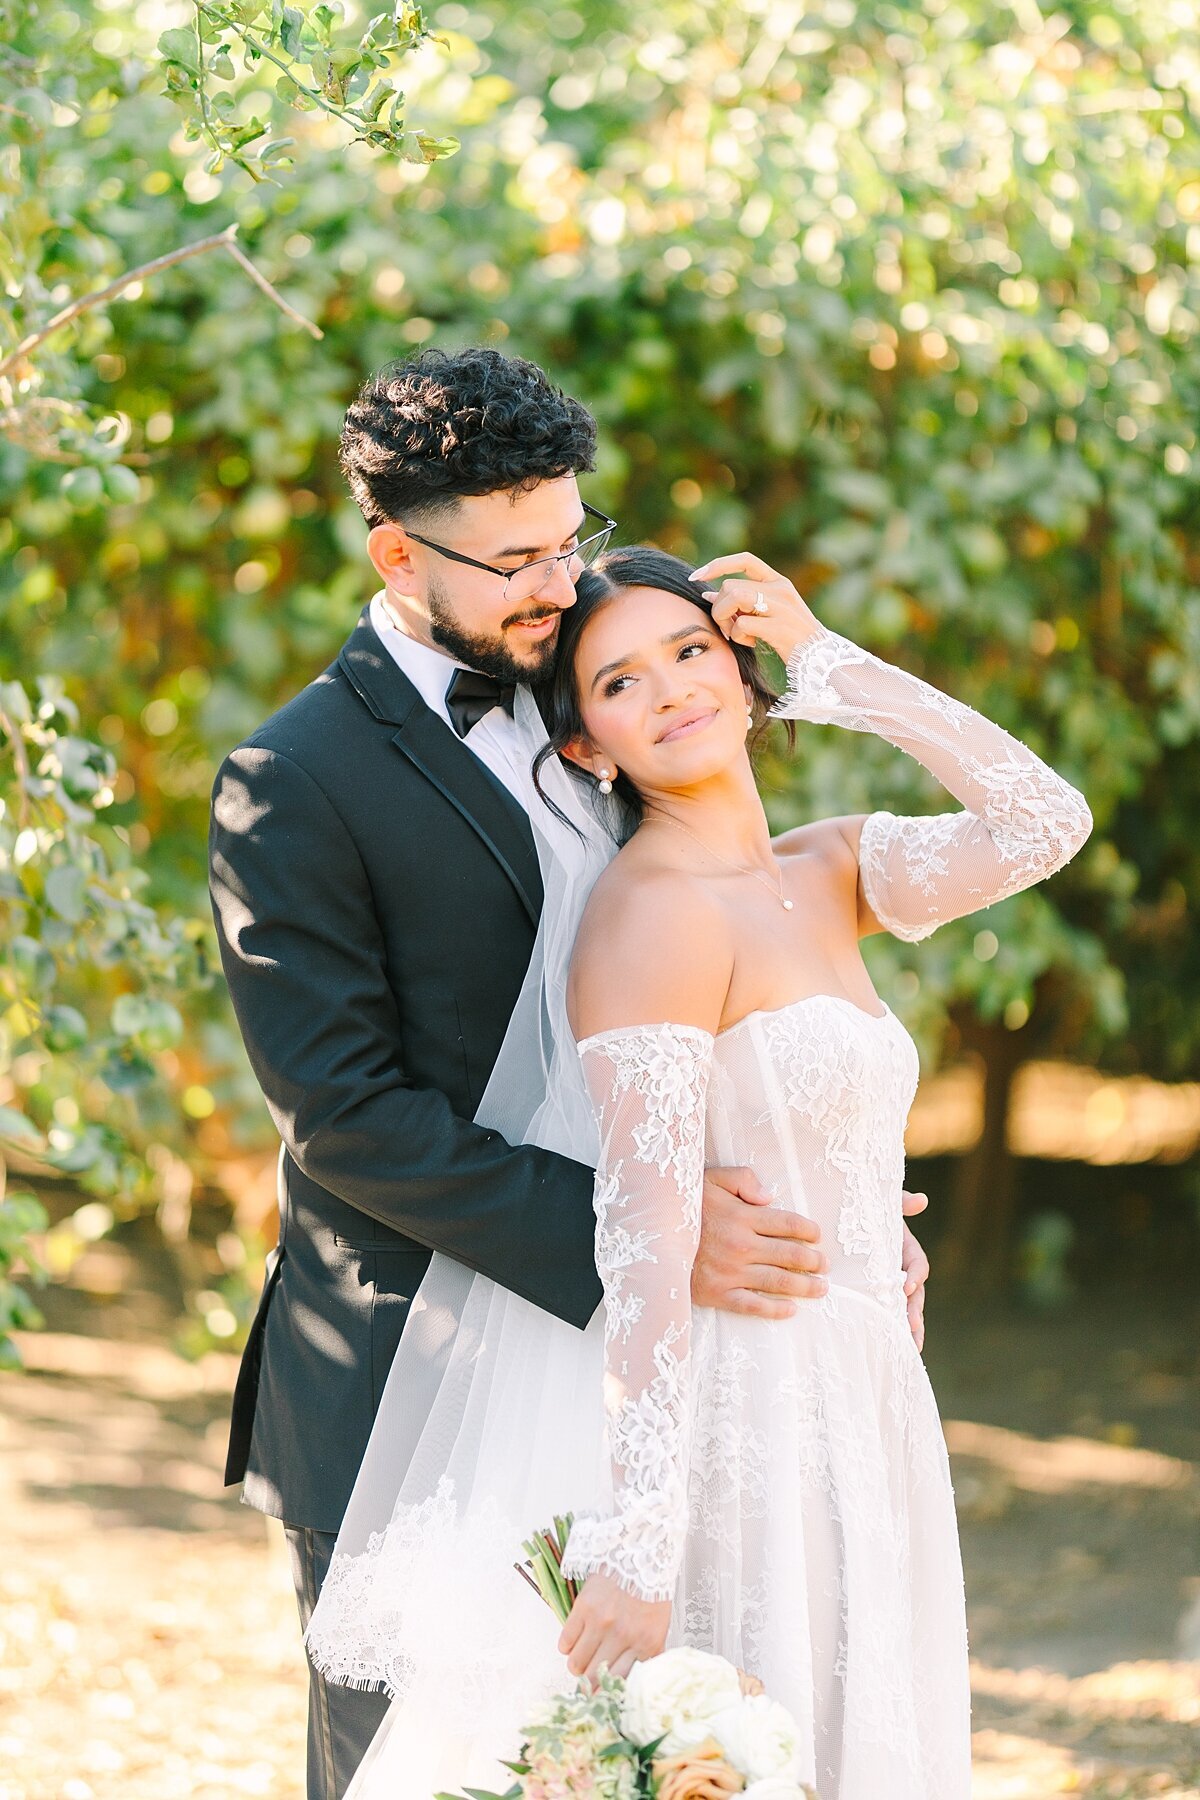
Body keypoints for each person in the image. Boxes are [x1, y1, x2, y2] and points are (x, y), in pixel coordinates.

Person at [208, 348, 932, 1800]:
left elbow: (729, 973)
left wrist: (828, 1205)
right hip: (408, 1359)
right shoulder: (290, 781)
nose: (555, 583)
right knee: (440, 1761)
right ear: (398, 552)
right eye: (514, 560)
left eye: (570, 540)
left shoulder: (606, 695)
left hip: (675, 1369)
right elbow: (347, 1119)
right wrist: (647, 1240)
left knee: (685, 1747)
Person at [303, 543, 1093, 1800]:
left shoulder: (828, 870)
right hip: (751, 1410)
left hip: (867, 1389)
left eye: (691, 650)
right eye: (618, 684)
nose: (672, 689)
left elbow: (1047, 820)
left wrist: (832, 659)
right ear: (588, 748)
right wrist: (643, 1539)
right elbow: (644, 1238)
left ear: (740, 664)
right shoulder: (652, 915)